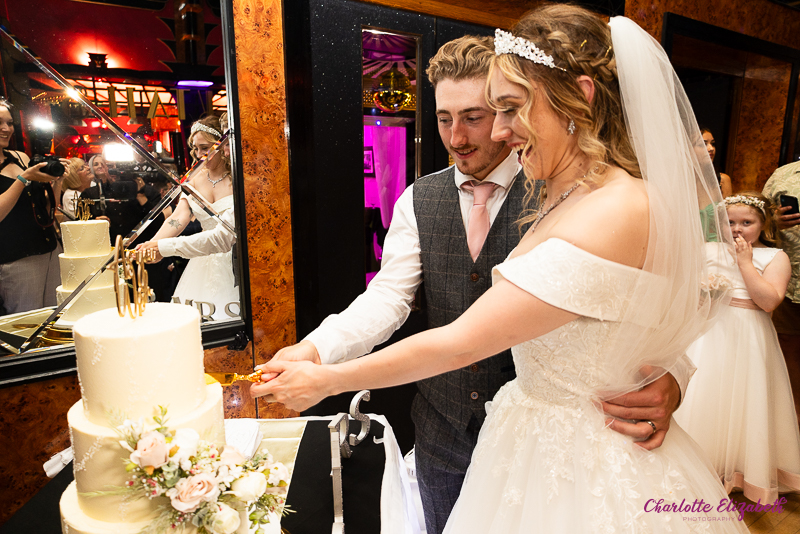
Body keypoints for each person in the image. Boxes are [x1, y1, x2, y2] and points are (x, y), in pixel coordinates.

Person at [254, 25, 700, 534]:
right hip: (446, 434)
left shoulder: (572, 193)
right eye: (445, 119)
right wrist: (318, 350)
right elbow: (388, 297)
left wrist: (671, 376)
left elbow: (664, 296)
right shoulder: (419, 197)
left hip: (569, 447)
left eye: (477, 117)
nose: (459, 138)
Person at [675, 192, 800, 502]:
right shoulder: (707, 250)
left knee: (746, 397)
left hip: (749, 335)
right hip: (709, 334)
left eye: (747, 222)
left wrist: (745, 263)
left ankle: (744, 472)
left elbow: (769, 301)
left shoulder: (773, 257)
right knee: (706, 394)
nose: (738, 229)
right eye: (730, 222)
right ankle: (696, 467)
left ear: (763, 224)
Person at [137, 115, 237, 321]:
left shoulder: (239, 176)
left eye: (205, 147)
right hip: (202, 258)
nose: (199, 154)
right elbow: (178, 218)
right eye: (195, 148)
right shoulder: (192, 179)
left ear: (223, 144)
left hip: (235, 257)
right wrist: (153, 244)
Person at [0, 98, 64, 315]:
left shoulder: (20, 157)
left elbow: (46, 211)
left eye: (9, 123)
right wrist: (23, 178)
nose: (6, 129)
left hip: (49, 248)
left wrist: (57, 182)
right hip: (17, 256)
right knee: (26, 323)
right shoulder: (22, 169)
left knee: (55, 316)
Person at [762, 162, 800, 421]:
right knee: (787, 346)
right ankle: (793, 415)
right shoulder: (783, 174)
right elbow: (758, 218)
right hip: (790, 280)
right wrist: (774, 221)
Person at [701, 128, 733, 198]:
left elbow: (727, 208)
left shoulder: (722, 180)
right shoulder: (679, 180)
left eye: (712, 144)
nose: (711, 148)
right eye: (704, 144)